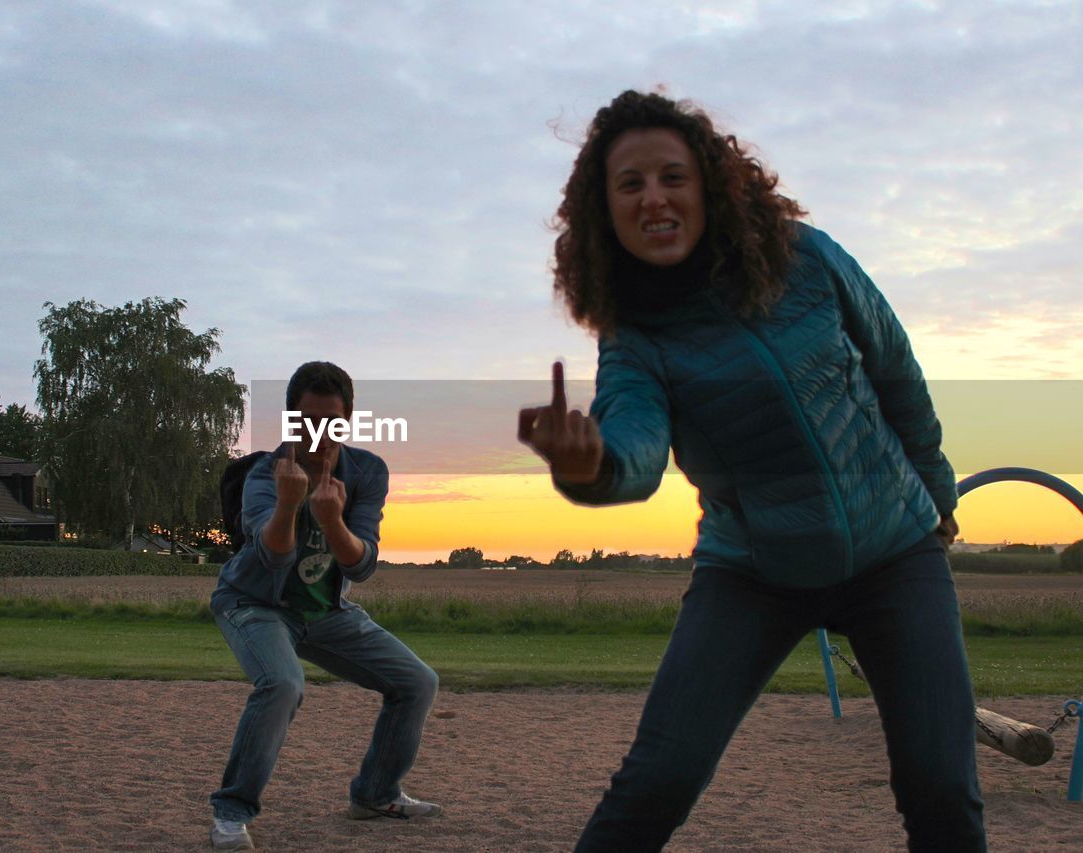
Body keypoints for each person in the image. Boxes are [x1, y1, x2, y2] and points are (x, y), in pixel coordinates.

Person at [518, 90, 985, 851]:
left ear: (710, 183)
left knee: (940, 784)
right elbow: (634, 441)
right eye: (629, 185)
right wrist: (591, 463)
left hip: (894, 554)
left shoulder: (808, 258)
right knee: (659, 778)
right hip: (754, 570)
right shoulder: (635, 335)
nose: (654, 198)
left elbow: (896, 372)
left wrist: (934, 494)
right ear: (604, 212)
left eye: (672, 175)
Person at [208, 361, 440, 851]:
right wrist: (291, 505)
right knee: (282, 684)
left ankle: (375, 795)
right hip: (255, 603)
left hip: (328, 613)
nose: (320, 432)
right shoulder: (265, 475)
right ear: (292, 419)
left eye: (332, 421)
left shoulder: (367, 472)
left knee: (417, 681)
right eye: (308, 420)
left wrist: (333, 522)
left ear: (348, 419)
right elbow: (273, 558)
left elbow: (361, 566)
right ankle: (231, 813)